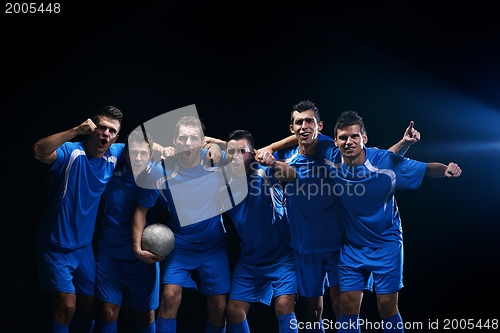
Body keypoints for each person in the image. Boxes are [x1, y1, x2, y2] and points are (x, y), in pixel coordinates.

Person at [263, 101, 419, 333]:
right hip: (305, 246)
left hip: (338, 244)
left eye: (309, 121)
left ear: (320, 126)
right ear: (292, 127)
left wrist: (404, 144)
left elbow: (379, 159)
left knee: (342, 306)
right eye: (299, 122)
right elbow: (252, 159)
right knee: (313, 309)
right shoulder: (287, 160)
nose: (304, 127)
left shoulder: (331, 149)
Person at [330, 111, 461, 333]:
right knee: (347, 305)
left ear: (364, 138)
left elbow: (427, 168)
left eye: (354, 137)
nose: (349, 142)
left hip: (386, 243)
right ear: (336, 141)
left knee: (386, 306)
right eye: (343, 137)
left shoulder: (384, 163)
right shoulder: (332, 161)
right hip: (353, 246)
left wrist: (447, 170)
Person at [132, 115, 227, 333]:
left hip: (214, 246)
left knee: (219, 307)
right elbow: (141, 209)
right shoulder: (160, 171)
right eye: (182, 138)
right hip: (180, 245)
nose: (188, 143)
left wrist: (215, 144)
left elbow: (246, 151)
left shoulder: (213, 159)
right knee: (169, 297)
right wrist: (137, 247)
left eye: (194, 138)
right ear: (174, 141)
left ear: (201, 141)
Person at [33, 106, 124, 333]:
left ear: (116, 137)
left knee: (90, 307)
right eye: (101, 127)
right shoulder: (72, 152)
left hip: (83, 248)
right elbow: (38, 152)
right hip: (55, 244)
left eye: (111, 131)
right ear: (91, 128)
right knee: (67, 308)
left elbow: (152, 146)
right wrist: (75, 130)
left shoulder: (115, 155)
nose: (106, 133)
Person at [210, 129, 298, 333]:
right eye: (231, 152)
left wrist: (274, 161)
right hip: (250, 259)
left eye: (242, 151)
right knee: (233, 311)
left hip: (282, 256)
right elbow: (202, 142)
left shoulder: (266, 171)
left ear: (253, 154)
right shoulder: (222, 181)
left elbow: (292, 176)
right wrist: (213, 145)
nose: (236, 157)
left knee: (284, 306)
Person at [94, 129, 161, 333]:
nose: (138, 158)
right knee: (107, 312)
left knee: (146, 315)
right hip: (110, 252)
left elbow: (140, 213)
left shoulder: (155, 175)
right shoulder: (110, 164)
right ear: (125, 152)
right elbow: (89, 152)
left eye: (144, 153)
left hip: (142, 255)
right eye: (134, 153)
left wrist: (139, 250)